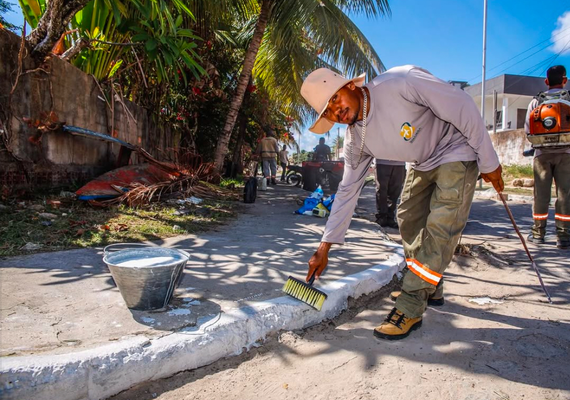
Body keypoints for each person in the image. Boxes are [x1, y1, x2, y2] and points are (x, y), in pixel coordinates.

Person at [300, 66, 504, 340]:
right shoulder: (355, 141)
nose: (336, 111)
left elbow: (463, 104)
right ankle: (432, 284)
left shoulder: (402, 82)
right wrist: (324, 247)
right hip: (422, 162)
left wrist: (489, 162)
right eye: (328, 111)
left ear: (350, 86)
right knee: (407, 218)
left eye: (335, 100)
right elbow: (347, 191)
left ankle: (410, 304)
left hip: (457, 148)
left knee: (441, 229)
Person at [524, 65, 569, 249]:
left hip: (542, 154)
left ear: (546, 81)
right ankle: (564, 236)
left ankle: (538, 233)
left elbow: (528, 129)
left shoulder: (536, 102)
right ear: (564, 80)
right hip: (567, 154)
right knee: (565, 195)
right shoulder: (569, 100)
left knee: (541, 195)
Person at [375, 159, 406, 229]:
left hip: (400, 163)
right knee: (381, 190)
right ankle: (381, 217)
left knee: (395, 191)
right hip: (382, 161)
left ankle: (390, 218)